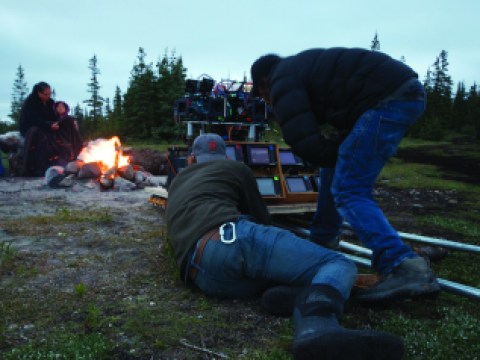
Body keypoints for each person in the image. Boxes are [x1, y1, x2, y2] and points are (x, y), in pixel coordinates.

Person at [166, 133, 404, 360]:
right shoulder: (236, 168)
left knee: (290, 271)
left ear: (191, 158)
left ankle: (300, 296)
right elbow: (259, 216)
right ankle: (317, 328)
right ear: (226, 155)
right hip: (229, 240)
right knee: (337, 263)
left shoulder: (177, 181)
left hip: (204, 277)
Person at [250, 48, 441, 302]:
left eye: (264, 96)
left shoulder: (281, 79)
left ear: (264, 81)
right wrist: (336, 155)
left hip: (385, 101)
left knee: (349, 190)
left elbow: (304, 140)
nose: (267, 101)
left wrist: (333, 155)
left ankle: (403, 265)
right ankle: (322, 245)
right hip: (392, 95)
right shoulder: (300, 69)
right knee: (335, 170)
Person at [19, 82, 82, 176]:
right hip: (32, 128)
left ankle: (76, 153)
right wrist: (48, 125)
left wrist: (62, 121)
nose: (49, 96)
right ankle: (39, 169)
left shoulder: (51, 102)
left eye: (50, 93)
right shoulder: (30, 103)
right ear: (39, 93)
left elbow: (55, 116)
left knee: (68, 121)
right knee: (41, 136)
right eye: (46, 94)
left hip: (49, 126)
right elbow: (33, 120)